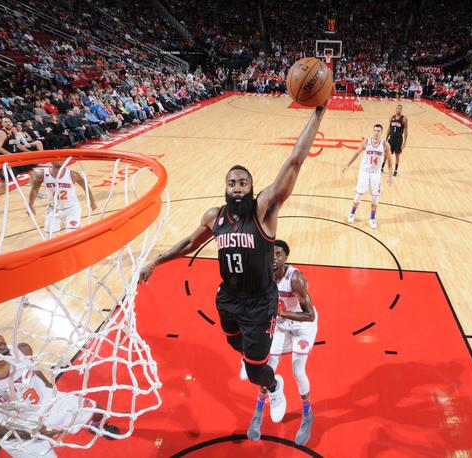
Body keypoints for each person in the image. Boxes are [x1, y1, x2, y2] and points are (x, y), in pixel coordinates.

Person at [138, 101, 329, 428]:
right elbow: (188, 244)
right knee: (232, 341)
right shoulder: (215, 217)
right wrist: (156, 261)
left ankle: (274, 385)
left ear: (251, 189)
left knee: (256, 369)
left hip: (260, 303)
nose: (237, 186)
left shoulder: (263, 211)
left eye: (243, 182)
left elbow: (295, 161)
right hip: (228, 298)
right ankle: (255, 355)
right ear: (226, 189)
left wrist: (318, 113)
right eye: (232, 183)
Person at [0, 327, 119, 458]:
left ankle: (96, 425)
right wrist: (28, 432)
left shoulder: (21, 350)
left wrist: (53, 393)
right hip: (16, 427)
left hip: (45, 403)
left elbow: (35, 372)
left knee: (97, 409)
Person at [246, 240, 317, 445]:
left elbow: (310, 315)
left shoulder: (295, 279)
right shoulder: (264, 278)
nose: (274, 258)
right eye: (270, 255)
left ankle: (307, 414)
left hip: (302, 325)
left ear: (286, 257)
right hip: (281, 324)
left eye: (278, 254)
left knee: (298, 371)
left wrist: (281, 312)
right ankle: (258, 412)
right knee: (266, 368)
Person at [342, 124, 394, 229]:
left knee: (375, 197)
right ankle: (352, 213)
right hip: (365, 171)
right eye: (375, 130)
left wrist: (390, 175)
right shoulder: (366, 142)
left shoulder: (385, 145)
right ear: (372, 131)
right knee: (359, 195)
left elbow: (389, 160)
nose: (376, 133)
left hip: (376, 173)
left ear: (381, 132)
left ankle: (372, 218)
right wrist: (347, 164)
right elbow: (356, 153)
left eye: (378, 131)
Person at [28, 162, 97, 237]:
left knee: (73, 236)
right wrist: (30, 205)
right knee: (49, 237)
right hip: (53, 209)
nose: (60, 160)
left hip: (72, 210)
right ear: (51, 160)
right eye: (56, 158)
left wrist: (92, 202)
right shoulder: (42, 174)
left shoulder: (72, 174)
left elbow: (85, 187)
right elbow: (34, 189)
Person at [0, 118, 39, 217]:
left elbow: (18, 145)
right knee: (4, 183)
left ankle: (35, 192)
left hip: (14, 159)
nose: (8, 123)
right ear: (2, 124)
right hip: (4, 161)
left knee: (32, 172)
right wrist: (10, 155)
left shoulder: (13, 132)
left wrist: (31, 153)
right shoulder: (1, 133)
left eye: (9, 121)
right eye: (5, 122)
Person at [385, 104, 408, 176]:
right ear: (396, 109)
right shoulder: (392, 117)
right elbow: (389, 128)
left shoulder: (404, 119)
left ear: (401, 110)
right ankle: (382, 167)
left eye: (400, 109)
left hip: (398, 139)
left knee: (397, 155)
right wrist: (386, 139)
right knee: (386, 154)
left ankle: (395, 170)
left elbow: (406, 131)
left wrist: (404, 142)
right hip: (391, 139)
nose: (398, 110)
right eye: (397, 108)